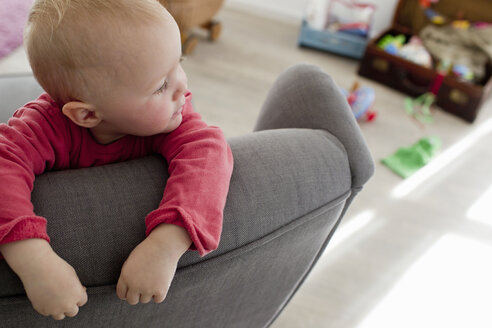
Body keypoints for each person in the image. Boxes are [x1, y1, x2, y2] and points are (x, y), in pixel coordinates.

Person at [0, 0, 233, 321]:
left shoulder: (170, 117)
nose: (183, 86)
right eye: (161, 85)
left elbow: (209, 152)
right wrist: (32, 258)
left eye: (177, 63)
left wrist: (167, 242)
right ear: (87, 114)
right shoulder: (42, 127)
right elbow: (3, 165)